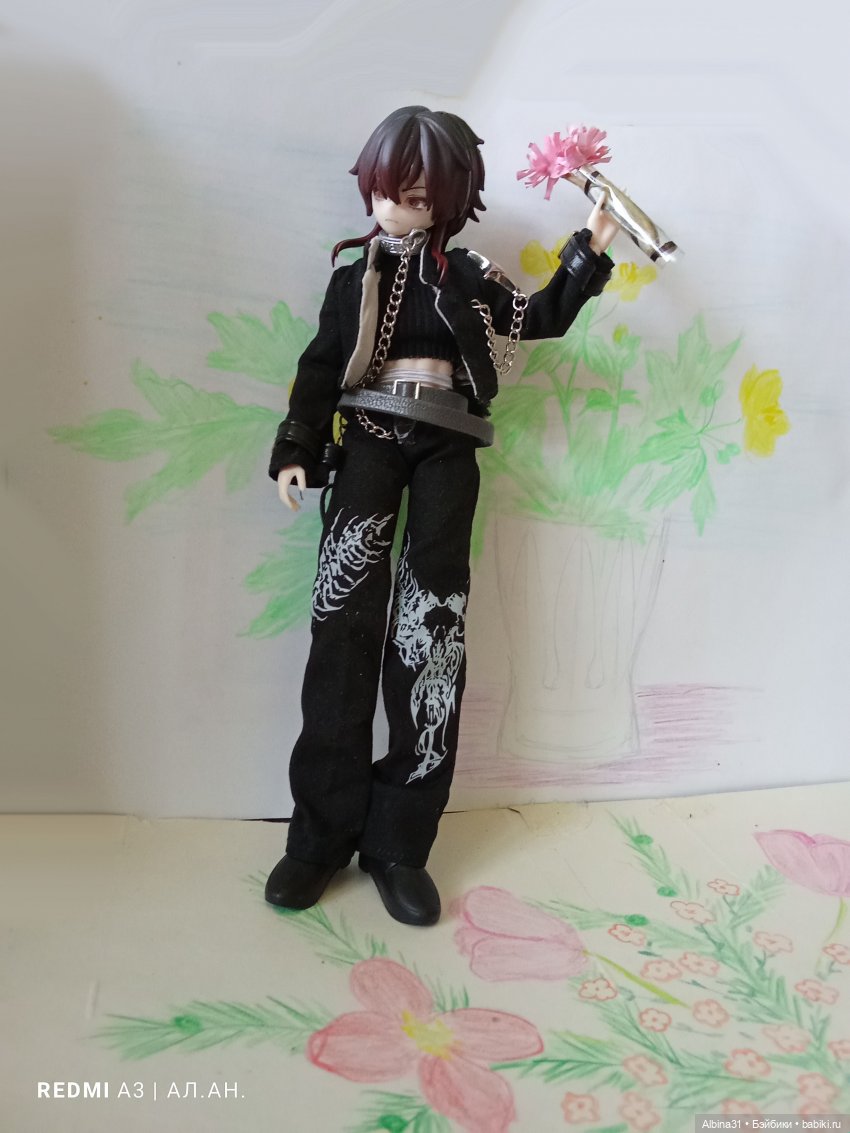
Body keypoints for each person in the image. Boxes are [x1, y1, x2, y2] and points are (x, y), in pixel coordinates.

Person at [264, 105, 618, 925]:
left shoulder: (468, 277)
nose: (394, 208)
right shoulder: (351, 279)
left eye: (417, 197)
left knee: (433, 630)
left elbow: (538, 318)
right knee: (341, 626)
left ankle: (398, 843)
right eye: (385, 191)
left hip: (447, 448)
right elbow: (319, 369)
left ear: (448, 202)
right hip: (366, 440)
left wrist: (590, 245)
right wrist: (296, 447)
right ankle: (318, 836)